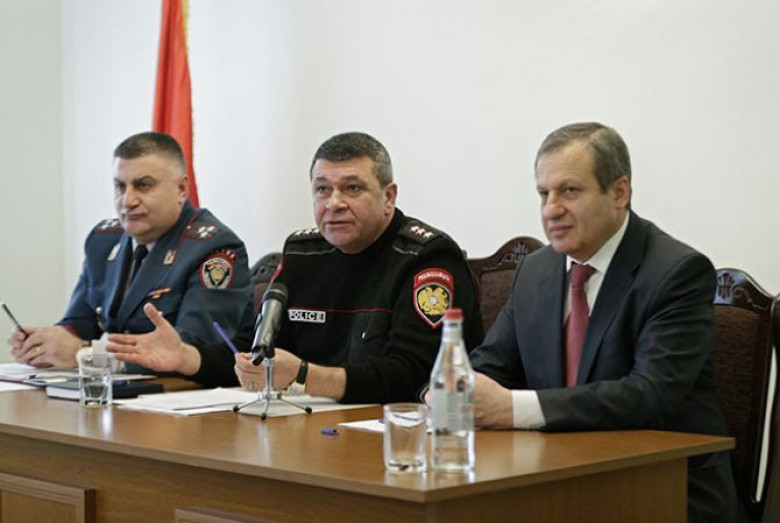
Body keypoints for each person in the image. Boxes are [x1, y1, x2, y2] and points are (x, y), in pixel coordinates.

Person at [468, 122, 741, 523]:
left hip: (663, 487)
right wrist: (452, 390)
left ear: (619, 192)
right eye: (543, 193)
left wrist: (512, 408)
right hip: (555, 479)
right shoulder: (536, 271)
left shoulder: (676, 272)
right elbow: (490, 365)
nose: (550, 210)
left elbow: (649, 395)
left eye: (569, 191)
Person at [107, 131, 483, 402]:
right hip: (309, 428)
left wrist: (305, 376)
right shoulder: (304, 253)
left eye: (352, 188)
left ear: (388, 196)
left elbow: (415, 375)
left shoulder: (427, 258)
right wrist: (187, 357)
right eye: (322, 189)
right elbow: (259, 353)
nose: (333, 203)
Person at [8, 132, 252, 375]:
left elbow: (185, 353)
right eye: (120, 186)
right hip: (118, 391)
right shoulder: (103, 241)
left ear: (181, 189)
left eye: (143, 185)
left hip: (183, 395)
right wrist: (45, 344)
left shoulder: (214, 248)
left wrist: (84, 354)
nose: (127, 201)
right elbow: (79, 323)